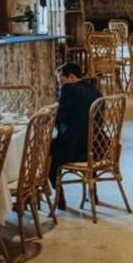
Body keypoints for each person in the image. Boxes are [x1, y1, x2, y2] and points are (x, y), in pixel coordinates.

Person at [50, 62, 102, 210]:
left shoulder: (69, 90)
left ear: (71, 77)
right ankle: (93, 191)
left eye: (61, 81)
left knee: (46, 154)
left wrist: (50, 113)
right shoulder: (95, 91)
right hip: (97, 147)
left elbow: (60, 117)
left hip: (76, 149)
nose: (60, 86)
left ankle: (59, 199)